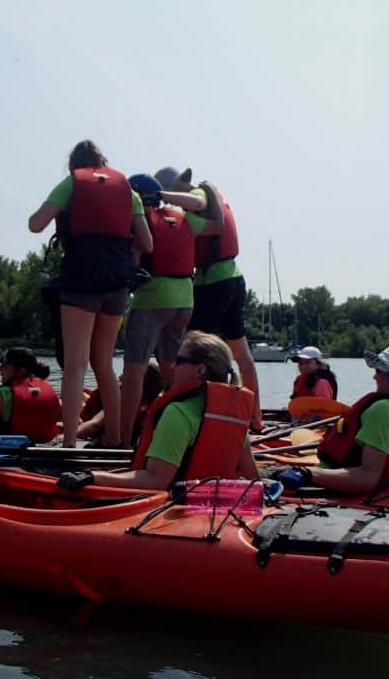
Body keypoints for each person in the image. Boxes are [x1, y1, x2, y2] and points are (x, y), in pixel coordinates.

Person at [28, 140, 152, 448]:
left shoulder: (72, 182)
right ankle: (117, 439)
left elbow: (35, 225)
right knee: (105, 363)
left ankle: (69, 442)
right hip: (117, 283)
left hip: (81, 278)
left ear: (75, 164)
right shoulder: (129, 191)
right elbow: (147, 244)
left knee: (75, 365)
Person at [58, 331, 259, 491]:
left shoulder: (178, 412)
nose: (171, 367)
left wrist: (93, 477)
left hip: (172, 512)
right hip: (214, 512)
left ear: (199, 370)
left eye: (178, 360)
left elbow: (156, 481)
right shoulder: (234, 416)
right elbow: (253, 480)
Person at [153, 167, 262, 431]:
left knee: (196, 349)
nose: (168, 203)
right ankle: (254, 417)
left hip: (213, 283)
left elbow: (198, 202)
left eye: (168, 196)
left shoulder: (200, 194)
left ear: (176, 186)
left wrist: (159, 194)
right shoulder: (210, 197)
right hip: (232, 279)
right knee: (240, 352)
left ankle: (208, 414)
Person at [117, 173, 208, 447]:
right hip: (185, 300)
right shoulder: (184, 218)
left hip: (152, 300)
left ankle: (121, 439)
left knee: (135, 370)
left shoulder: (142, 220)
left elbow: (135, 257)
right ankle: (177, 430)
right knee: (172, 367)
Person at [276, 341, 389, 494]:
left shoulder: (382, 411)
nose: (375, 377)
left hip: (326, 486)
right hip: (327, 474)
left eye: (378, 370)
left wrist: (307, 474)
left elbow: (367, 478)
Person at [77, 362, 164, 447]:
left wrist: (68, 436)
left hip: (90, 428)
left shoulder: (125, 401)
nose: (120, 377)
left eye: (124, 374)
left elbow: (94, 425)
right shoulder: (155, 405)